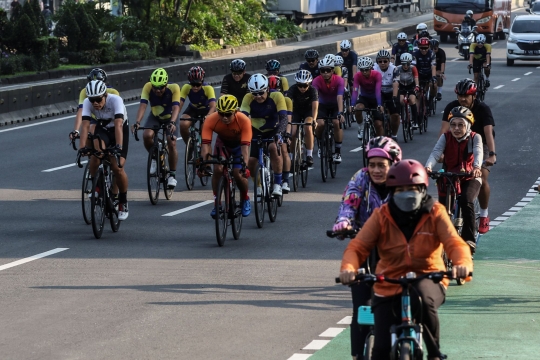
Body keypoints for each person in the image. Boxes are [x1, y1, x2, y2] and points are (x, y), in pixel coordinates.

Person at [339, 159, 473, 360]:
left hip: (429, 276)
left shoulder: (436, 212)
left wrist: (462, 264)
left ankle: (434, 354)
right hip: (388, 281)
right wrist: (349, 268)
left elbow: (454, 243)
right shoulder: (381, 215)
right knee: (381, 350)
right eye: (400, 189)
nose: (406, 194)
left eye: (412, 189)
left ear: (422, 190)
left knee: (423, 300)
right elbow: (358, 247)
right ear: (391, 191)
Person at [332, 136, 402, 360]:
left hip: (395, 251)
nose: (376, 170)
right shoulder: (361, 177)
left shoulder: (402, 182)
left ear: (393, 164)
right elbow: (349, 201)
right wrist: (344, 222)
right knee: (361, 307)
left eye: (381, 165)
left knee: (399, 305)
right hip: (364, 246)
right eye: (372, 164)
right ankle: (357, 356)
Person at [440, 79, 496, 234]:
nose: (462, 99)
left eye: (467, 96)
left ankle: (484, 214)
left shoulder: (483, 109)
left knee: (481, 177)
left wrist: (491, 154)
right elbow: (444, 131)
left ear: (474, 96)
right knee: (447, 176)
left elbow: (488, 133)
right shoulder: (451, 107)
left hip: (479, 143)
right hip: (456, 143)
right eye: (460, 96)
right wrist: (441, 152)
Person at [426, 106, 482, 254]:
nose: (456, 129)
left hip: (470, 176)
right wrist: (428, 167)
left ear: (468, 126)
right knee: (442, 209)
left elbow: (478, 152)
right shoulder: (445, 137)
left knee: (466, 200)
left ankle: (469, 239)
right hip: (450, 176)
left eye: (461, 125)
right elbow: (436, 152)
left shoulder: (475, 137)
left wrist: (476, 167)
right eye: (453, 125)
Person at [80, 80, 130, 220]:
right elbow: (84, 126)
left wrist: (118, 147)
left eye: (98, 99)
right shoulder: (87, 102)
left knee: (118, 167)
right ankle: (98, 187)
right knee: (96, 155)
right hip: (103, 128)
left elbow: (119, 125)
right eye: (92, 99)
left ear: (105, 95)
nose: (95, 103)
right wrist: (82, 147)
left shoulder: (115, 100)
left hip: (120, 131)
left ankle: (123, 201)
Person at [200, 95, 252, 217]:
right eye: (221, 113)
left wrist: (245, 167)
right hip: (223, 143)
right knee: (217, 169)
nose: (224, 117)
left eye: (228, 114)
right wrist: (202, 165)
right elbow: (205, 146)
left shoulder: (244, 120)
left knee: (238, 173)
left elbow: (245, 148)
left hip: (239, 146)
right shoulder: (210, 119)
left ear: (236, 111)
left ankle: (245, 198)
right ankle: (217, 203)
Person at [132, 68, 181, 189]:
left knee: (172, 141)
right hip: (155, 117)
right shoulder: (147, 87)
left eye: (160, 88)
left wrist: (173, 122)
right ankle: (155, 157)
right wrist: (137, 122)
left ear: (165, 85)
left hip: (171, 117)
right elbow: (143, 106)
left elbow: (176, 108)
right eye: (155, 87)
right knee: (147, 135)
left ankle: (172, 175)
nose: (157, 90)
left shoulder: (174, 88)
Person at [241, 74, 288, 197]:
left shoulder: (277, 96)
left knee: (273, 148)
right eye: (254, 93)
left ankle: (278, 183)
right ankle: (259, 186)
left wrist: (280, 134)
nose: (258, 96)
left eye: (261, 93)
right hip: (256, 130)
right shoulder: (248, 97)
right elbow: (243, 117)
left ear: (267, 89)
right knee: (251, 162)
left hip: (274, 128)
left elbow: (283, 118)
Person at [311, 55, 345, 164]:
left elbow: (340, 97)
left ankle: (338, 152)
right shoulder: (316, 81)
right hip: (322, 105)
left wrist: (340, 113)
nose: (325, 73)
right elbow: (315, 99)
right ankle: (320, 144)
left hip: (335, 104)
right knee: (319, 124)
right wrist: (314, 116)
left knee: (336, 122)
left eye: (328, 70)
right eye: (322, 71)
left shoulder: (339, 80)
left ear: (332, 70)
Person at [287, 69, 318, 167]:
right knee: (293, 133)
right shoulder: (292, 89)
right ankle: (291, 157)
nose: (302, 88)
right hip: (296, 111)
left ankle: (309, 155)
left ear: (309, 84)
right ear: (296, 84)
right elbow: (287, 105)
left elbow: (315, 107)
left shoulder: (313, 90)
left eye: (305, 85)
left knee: (308, 126)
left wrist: (314, 119)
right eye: (300, 85)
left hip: (308, 111)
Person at [178, 66, 217, 144]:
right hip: (193, 108)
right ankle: (190, 146)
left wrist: (208, 116)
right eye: (193, 84)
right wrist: (174, 117)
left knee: (204, 133)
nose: (195, 87)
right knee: (182, 124)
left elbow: (213, 106)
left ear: (202, 82)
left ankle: (204, 151)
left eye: (198, 84)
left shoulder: (208, 88)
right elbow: (179, 104)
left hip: (207, 110)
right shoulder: (186, 87)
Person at [268, 75, 292, 193]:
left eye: (276, 89)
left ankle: (286, 180)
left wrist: (287, 134)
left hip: (281, 127)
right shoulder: (267, 99)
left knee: (283, 150)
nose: (274, 92)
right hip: (268, 127)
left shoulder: (286, 100)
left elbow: (287, 120)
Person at [352, 57, 383, 139]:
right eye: (362, 70)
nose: (364, 72)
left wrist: (379, 104)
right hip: (364, 98)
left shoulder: (377, 75)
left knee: (378, 124)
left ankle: (379, 142)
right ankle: (361, 128)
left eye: (366, 70)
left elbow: (378, 91)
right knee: (357, 109)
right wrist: (352, 105)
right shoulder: (357, 76)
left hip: (375, 98)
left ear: (371, 68)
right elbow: (355, 90)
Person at [374, 49, 400, 141]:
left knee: (395, 115)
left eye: (385, 61)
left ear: (389, 61)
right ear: (377, 62)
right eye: (380, 61)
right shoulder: (374, 68)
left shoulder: (394, 69)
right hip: (379, 92)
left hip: (391, 91)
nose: (383, 63)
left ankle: (394, 134)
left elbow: (396, 83)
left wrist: (394, 96)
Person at [393, 53, 420, 129]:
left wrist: (417, 86)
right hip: (401, 86)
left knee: (412, 100)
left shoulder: (413, 68)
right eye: (403, 64)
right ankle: (402, 116)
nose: (405, 66)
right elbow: (395, 80)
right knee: (401, 100)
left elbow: (416, 78)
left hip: (411, 86)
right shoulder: (397, 68)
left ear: (410, 63)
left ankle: (415, 121)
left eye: (407, 64)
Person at [412, 37, 437, 110]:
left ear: (429, 47)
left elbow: (433, 67)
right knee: (418, 93)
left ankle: (431, 99)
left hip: (429, 73)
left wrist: (434, 77)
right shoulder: (415, 54)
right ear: (419, 47)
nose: (423, 50)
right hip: (419, 74)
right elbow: (413, 68)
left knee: (434, 85)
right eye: (422, 48)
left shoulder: (432, 54)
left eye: (425, 48)